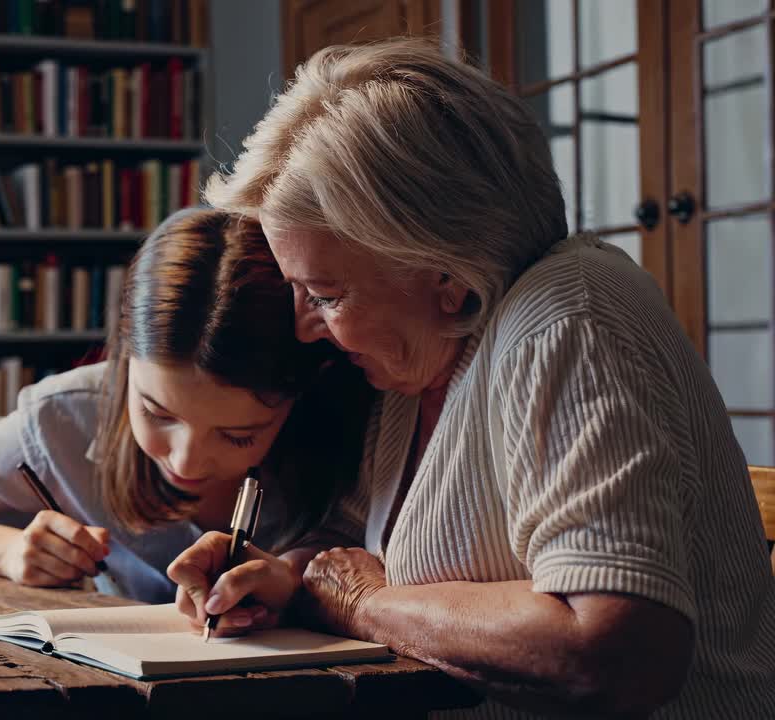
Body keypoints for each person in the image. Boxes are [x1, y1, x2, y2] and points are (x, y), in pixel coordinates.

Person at [170, 39, 775, 717]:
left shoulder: (568, 316)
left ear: (447, 277)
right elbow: (354, 553)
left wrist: (368, 606)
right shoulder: (421, 361)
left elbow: (613, 648)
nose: (307, 326)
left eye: (327, 295)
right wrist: (281, 575)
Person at [0, 207, 373, 604]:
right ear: (123, 360)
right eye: (158, 413)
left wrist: (295, 580)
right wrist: (6, 552)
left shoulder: (351, 424)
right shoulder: (66, 416)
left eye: (239, 435)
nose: (186, 461)